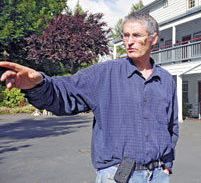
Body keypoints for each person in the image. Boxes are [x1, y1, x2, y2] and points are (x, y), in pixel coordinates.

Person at [0, 12, 178, 183]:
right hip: (117, 176)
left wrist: (166, 166)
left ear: (153, 39)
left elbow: (172, 126)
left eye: (137, 35)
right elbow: (65, 91)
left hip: (158, 175)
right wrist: (38, 85)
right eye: (125, 35)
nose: (129, 42)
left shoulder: (166, 80)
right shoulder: (105, 73)